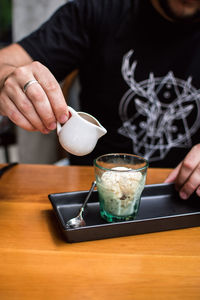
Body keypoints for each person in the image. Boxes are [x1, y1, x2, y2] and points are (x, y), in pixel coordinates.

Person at [0, 0, 200, 200]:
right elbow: (5, 63)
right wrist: (7, 79)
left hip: (186, 194)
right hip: (91, 192)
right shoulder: (96, 10)